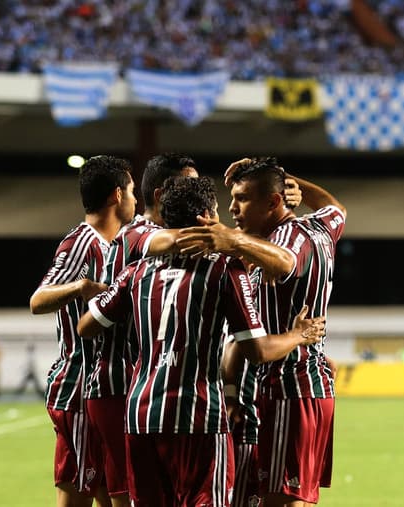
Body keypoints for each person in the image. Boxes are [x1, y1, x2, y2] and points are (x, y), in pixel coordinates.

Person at [76, 175, 324, 507]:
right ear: (206, 216)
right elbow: (258, 350)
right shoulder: (223, 269)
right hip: (199, 417)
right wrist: (299, 335)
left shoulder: (137, 272)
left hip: (141, 416)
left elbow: (86, 326)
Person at [175, 157, 346, 507]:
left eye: (243, 198)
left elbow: (285, 261)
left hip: (287, 387)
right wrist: (286, 178)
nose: (232, 208)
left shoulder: (287, 237)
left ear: (273, 203)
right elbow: (335, 207)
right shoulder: (321, 227)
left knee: (280, 499)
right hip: (298, 390)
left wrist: (234, 241)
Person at [83, 152, 198, 507]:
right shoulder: (139, 232)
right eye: (191, 187)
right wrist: (227, 235)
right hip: (120, 384)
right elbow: (168, 243)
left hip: (144, 388)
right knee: (132, 497)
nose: (198, 194)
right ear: (163, 193)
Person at [30, 155, 136, 507]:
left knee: (109, 492)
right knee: (77, 493)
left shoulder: (112, 245)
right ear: (117, 195)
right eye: (133, 191)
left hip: (101, 391)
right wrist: (80, 287)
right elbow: (38, 300)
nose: (136, 200)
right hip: (78, 388)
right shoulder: (81, 242)